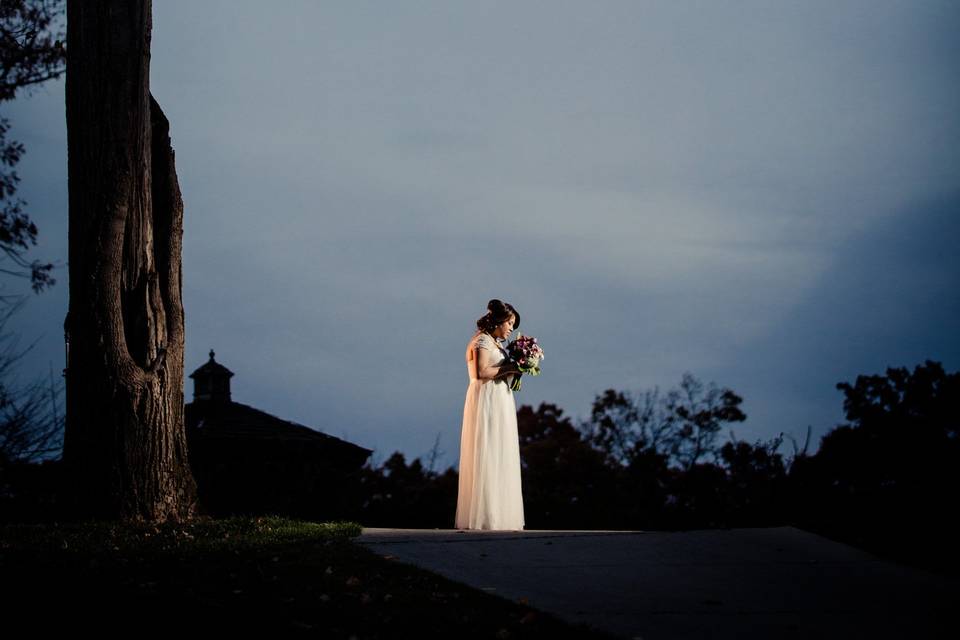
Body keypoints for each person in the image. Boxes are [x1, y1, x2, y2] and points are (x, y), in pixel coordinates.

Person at [455, 299, 525, 531]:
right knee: (487, 451)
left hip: (500, 399)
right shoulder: (482, 341)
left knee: (499, 451)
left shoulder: (495, 344)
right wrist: (510, 368)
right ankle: (485, 516)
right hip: (486, 399)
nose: (511, 329)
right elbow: (481, 372)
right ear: (499, 321)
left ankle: (501, 514)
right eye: (510, 323)